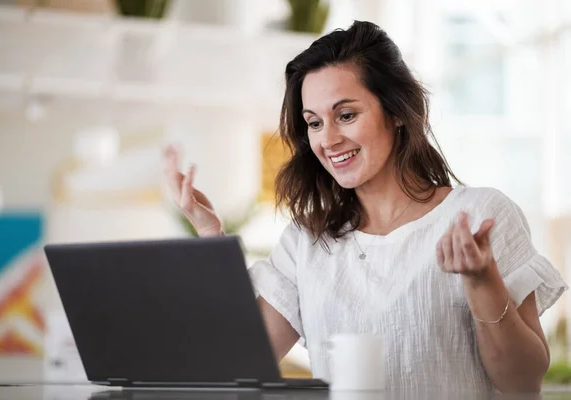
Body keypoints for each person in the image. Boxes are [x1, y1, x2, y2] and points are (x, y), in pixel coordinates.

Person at [164, 20, 567, 393]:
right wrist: (211, 241)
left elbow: (522, 382)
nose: (328, 139)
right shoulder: (308, 242)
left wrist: (482, 282)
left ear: (395, 111)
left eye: (346, 114)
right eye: (314, 122)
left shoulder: (479, 216)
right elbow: (238, 365)